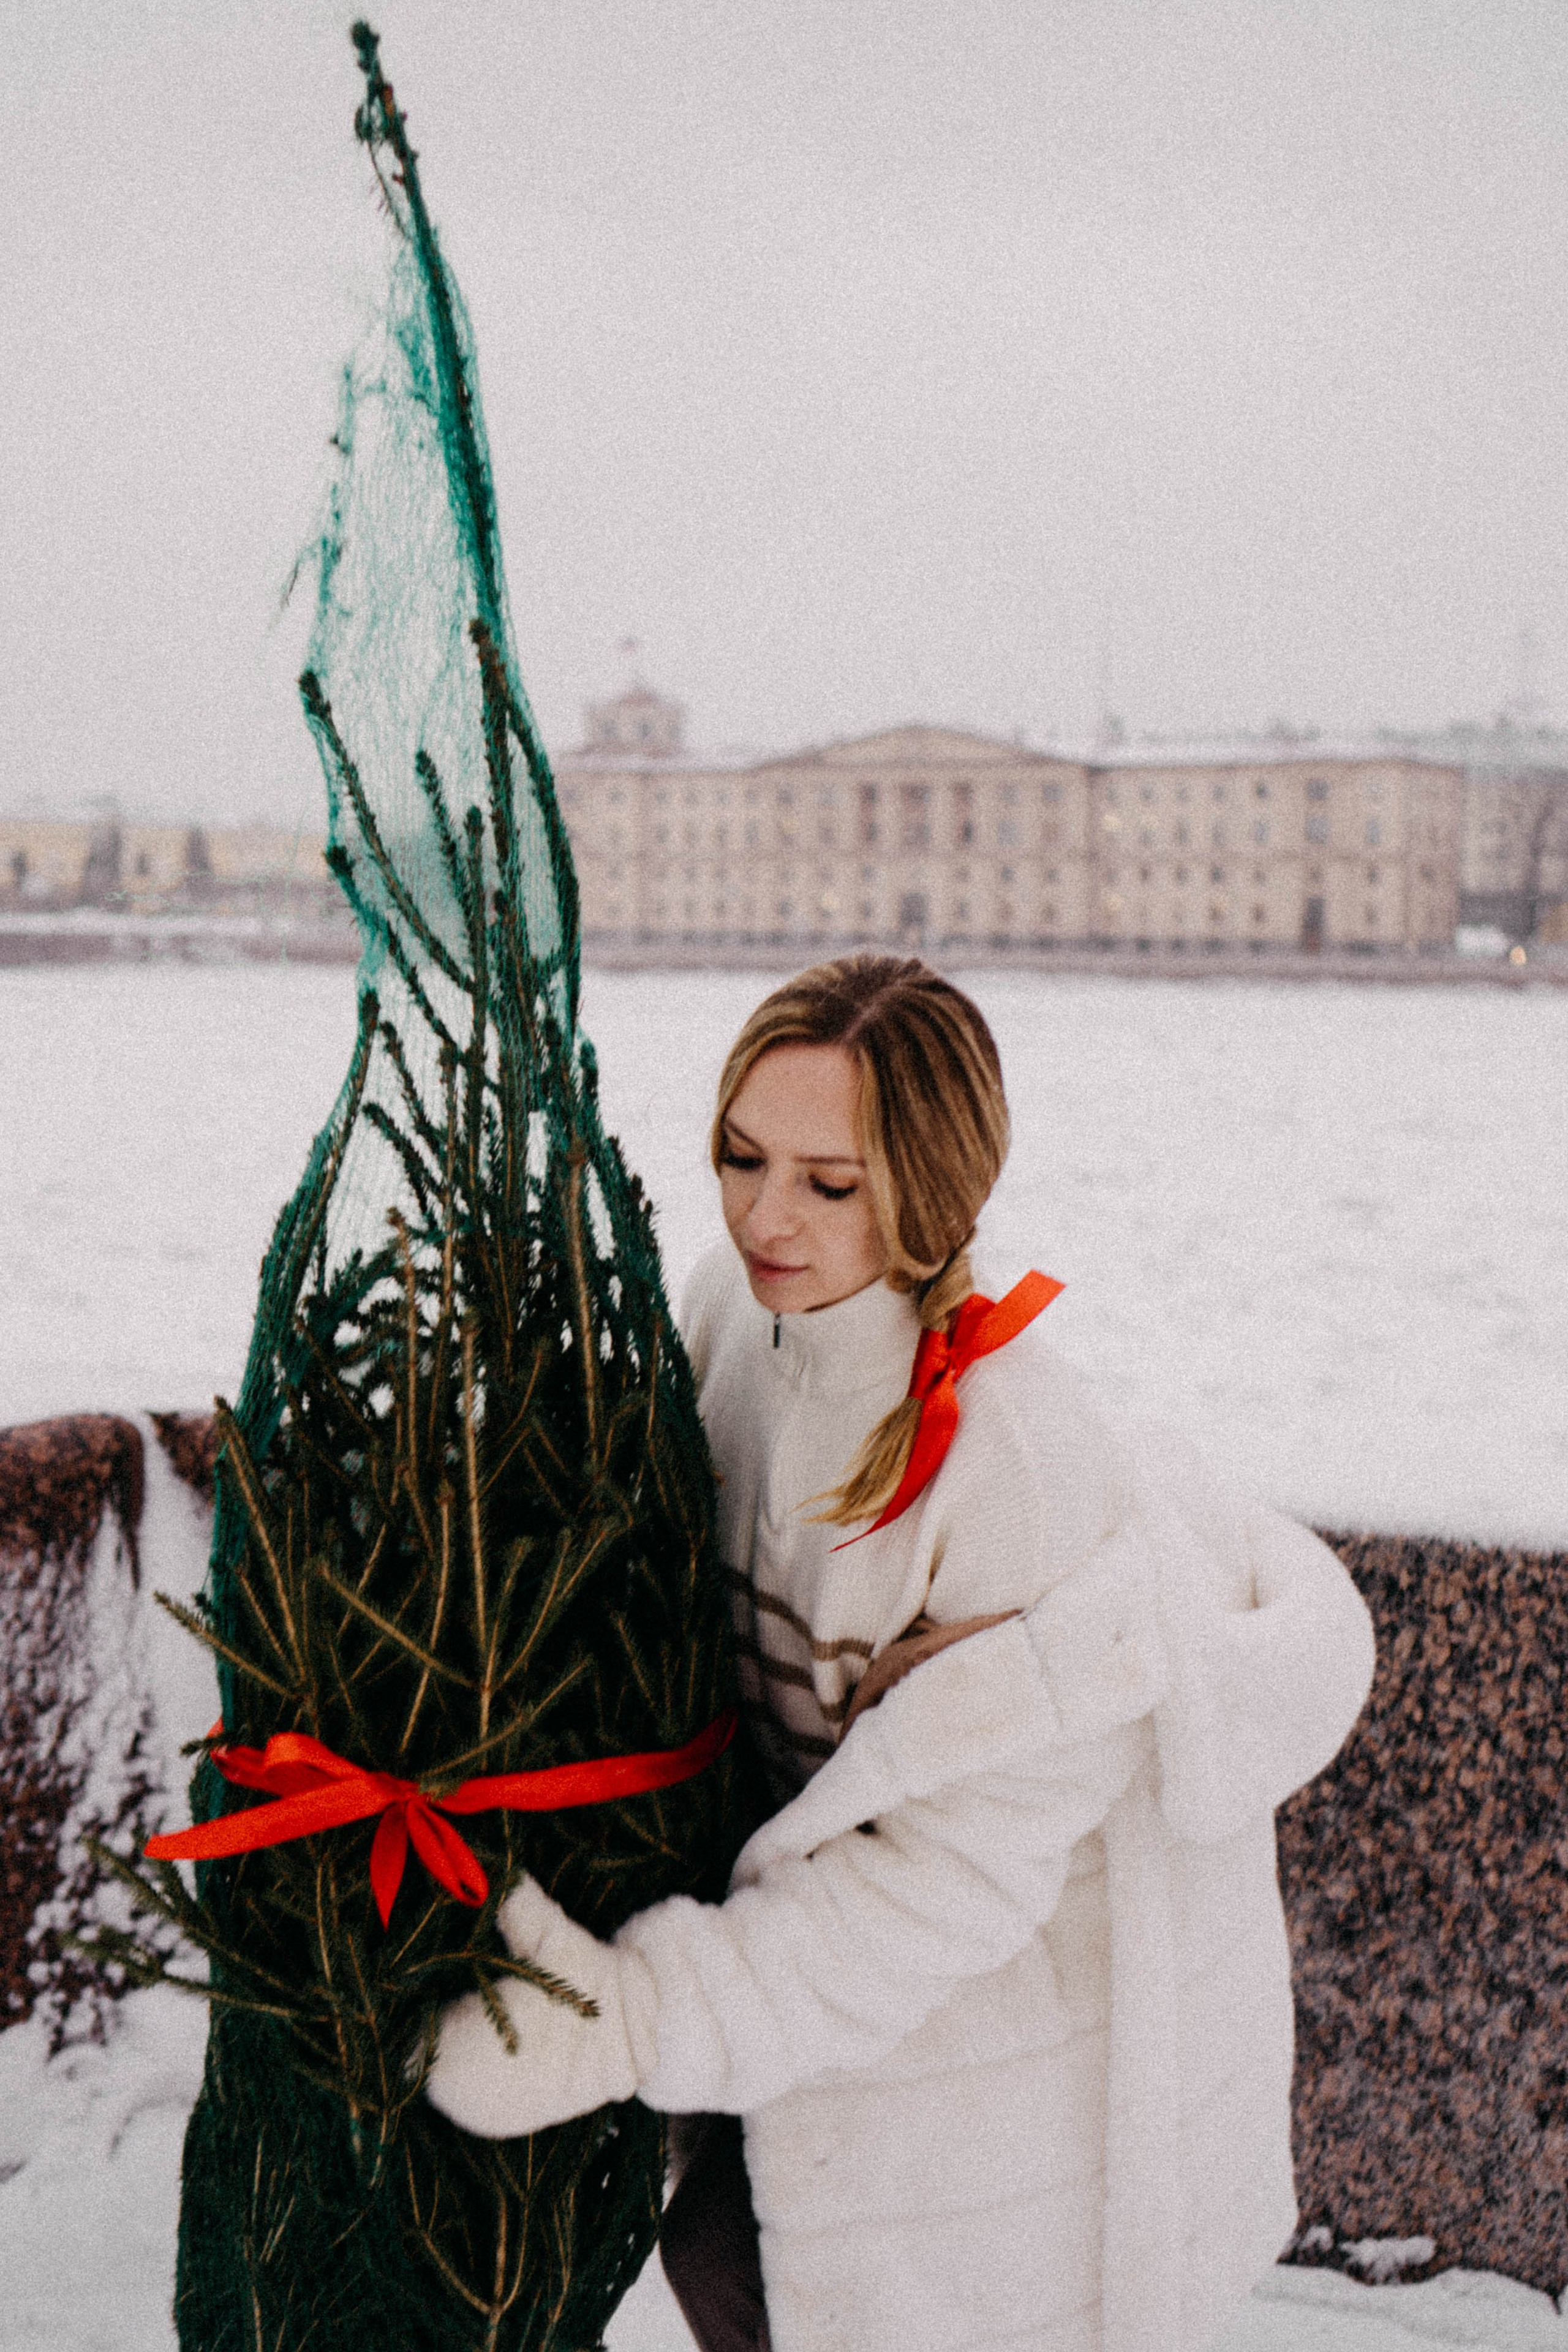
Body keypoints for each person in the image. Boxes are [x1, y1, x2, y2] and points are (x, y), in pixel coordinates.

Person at [427, 954, 1375, 2352]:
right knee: (721, 2263)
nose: (765, 1213)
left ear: (930, 1189)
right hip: (801, 1990)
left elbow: (950, 1883)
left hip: (981, 2056)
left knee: (777, 2285)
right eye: (741, 1156)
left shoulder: (1014, 1463)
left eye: (830, 1182)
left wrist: (629, 2018)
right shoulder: (724, 1315)